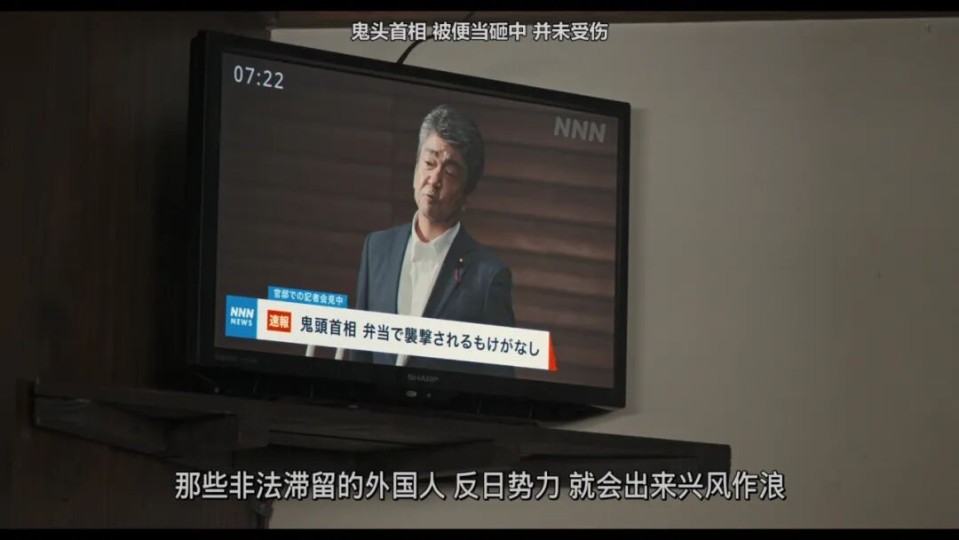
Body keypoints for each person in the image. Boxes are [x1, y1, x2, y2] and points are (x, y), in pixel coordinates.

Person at [309, 104, 517, 378]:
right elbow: (360, 355)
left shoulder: (489, 277)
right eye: (429, 163)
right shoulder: (377, 249)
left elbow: (498, 382)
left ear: (467, 196)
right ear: (415, 169)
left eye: (450, 172)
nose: (434, 179)